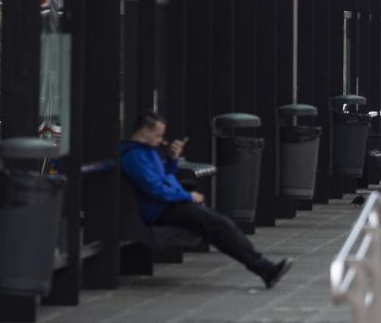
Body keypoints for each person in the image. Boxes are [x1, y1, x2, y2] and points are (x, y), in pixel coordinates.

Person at [119, 111, 293, 289]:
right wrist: (188, 196)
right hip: (162, 209)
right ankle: (264, 268)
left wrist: (172, 160)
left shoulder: (146, 152)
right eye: (157, 135)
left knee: (219, 227)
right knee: (220, 225)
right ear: (143, 131)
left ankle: (264, 268)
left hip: (168, 205)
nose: (161, 140)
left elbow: (162, 179)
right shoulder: (135, 156)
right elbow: (155, 189)